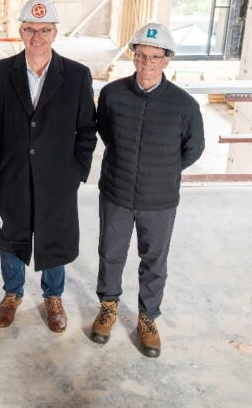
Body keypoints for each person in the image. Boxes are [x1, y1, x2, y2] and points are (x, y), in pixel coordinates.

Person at [0, 0, 98, 333]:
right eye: (30, 29)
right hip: (11, 174)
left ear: (55, 33)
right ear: (21, 31)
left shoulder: (75, 75)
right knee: (11, 236)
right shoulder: (1, 73)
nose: (37, 37)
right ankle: (12, 293)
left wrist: (76, 172)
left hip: (58, 178)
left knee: (54, 236)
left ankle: (53, 296)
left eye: (44, 30)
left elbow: (87, 130)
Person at [89, 22, 205, 358]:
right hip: (117, 193)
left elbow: (193, 149)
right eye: (141, 55)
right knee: (110, 253)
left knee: (154, 260)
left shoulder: (183, 105)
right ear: (133, 56)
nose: (147, 63)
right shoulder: (112, 95)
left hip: (159, 199)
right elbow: (107, 134)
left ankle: (147, 318)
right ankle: (109, 306)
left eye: (155, 57)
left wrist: (160, 171)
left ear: (167, 60)